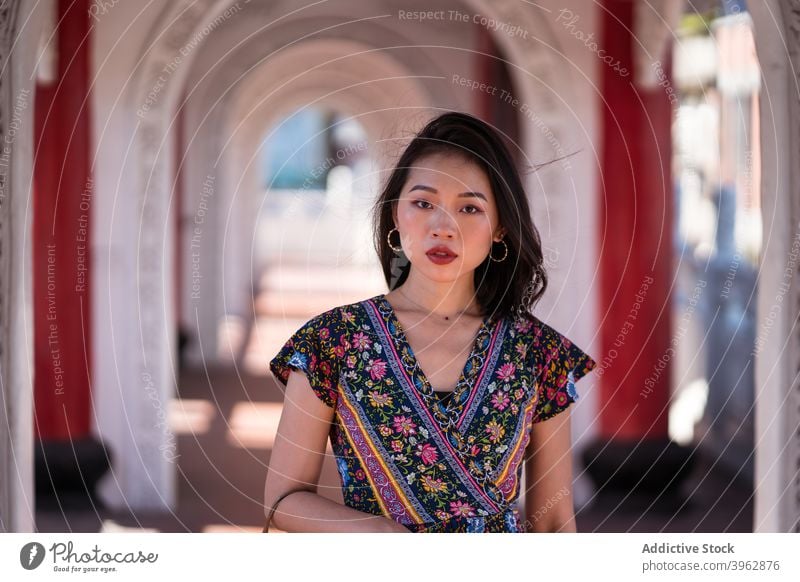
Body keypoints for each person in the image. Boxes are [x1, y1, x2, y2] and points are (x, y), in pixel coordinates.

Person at [263, 111, 596, 533]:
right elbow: (282, 502)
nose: (443, 226)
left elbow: (551, 521)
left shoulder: (539, 353)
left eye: (470, 208)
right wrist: (381, 534)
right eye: (423, 203)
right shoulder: (331, 341)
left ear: (500, 230)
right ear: (396, 215)